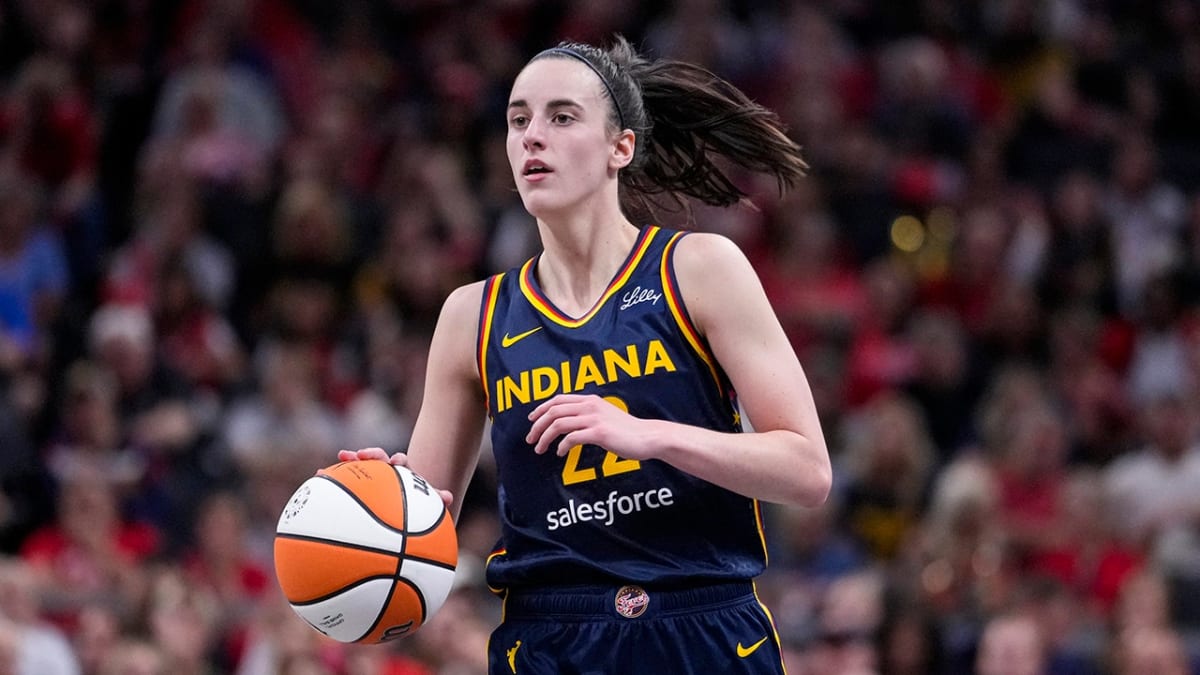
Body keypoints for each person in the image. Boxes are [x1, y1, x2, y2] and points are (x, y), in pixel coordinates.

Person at [341, 35, 831, 674]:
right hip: (550, 637)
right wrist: (385, 506)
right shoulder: (472, 314)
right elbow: (429, 526)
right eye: (518, 120)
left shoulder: (698, 269)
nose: (531, 137)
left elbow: (807, 470)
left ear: (620, 146)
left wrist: (648, 435)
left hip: (702, 623)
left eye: (561, 117)